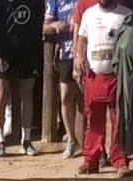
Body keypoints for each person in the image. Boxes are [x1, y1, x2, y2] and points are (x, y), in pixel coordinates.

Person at [75, 0, 133, 173]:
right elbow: (82, 38)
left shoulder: (126, 15)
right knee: (93, 119)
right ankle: (91, 160)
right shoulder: (89, 14)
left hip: (117, 76)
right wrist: (78, 57)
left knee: (118, 120)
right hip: (94, 74)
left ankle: (119, 160)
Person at [0, 0, 45, 156]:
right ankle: (0, 140)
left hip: (28, 53)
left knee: (27, 94)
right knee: (1, 93)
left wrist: (35, 52)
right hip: (5, 52)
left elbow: (38, 22)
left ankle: (26, 140)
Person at [46, 0, 82, 158]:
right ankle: (72, 139)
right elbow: (44, 26)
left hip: (84, 51)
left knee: (85, 99)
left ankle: (86, 140)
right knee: (66, 96)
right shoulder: (54, 1)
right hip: (65, 53)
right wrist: (56, 26)